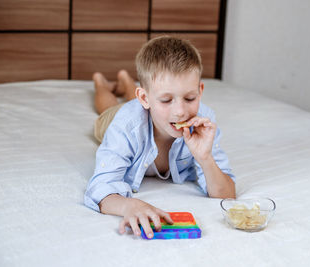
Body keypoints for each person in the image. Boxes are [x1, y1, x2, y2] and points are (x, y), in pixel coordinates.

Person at [84, 36, 236, 239]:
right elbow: (99, 187)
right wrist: (129, 205)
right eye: (166, 100)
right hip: (120, 116)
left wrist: (205, 158)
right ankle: (101, 83)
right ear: (144, 98)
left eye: (189, 98)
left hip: (145, 107)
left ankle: (125, 80)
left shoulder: (205, 122)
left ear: (200, 92)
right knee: (109, 109)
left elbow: (226, 194)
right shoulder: (125, 125)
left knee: (146, 104)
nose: (180, 112)